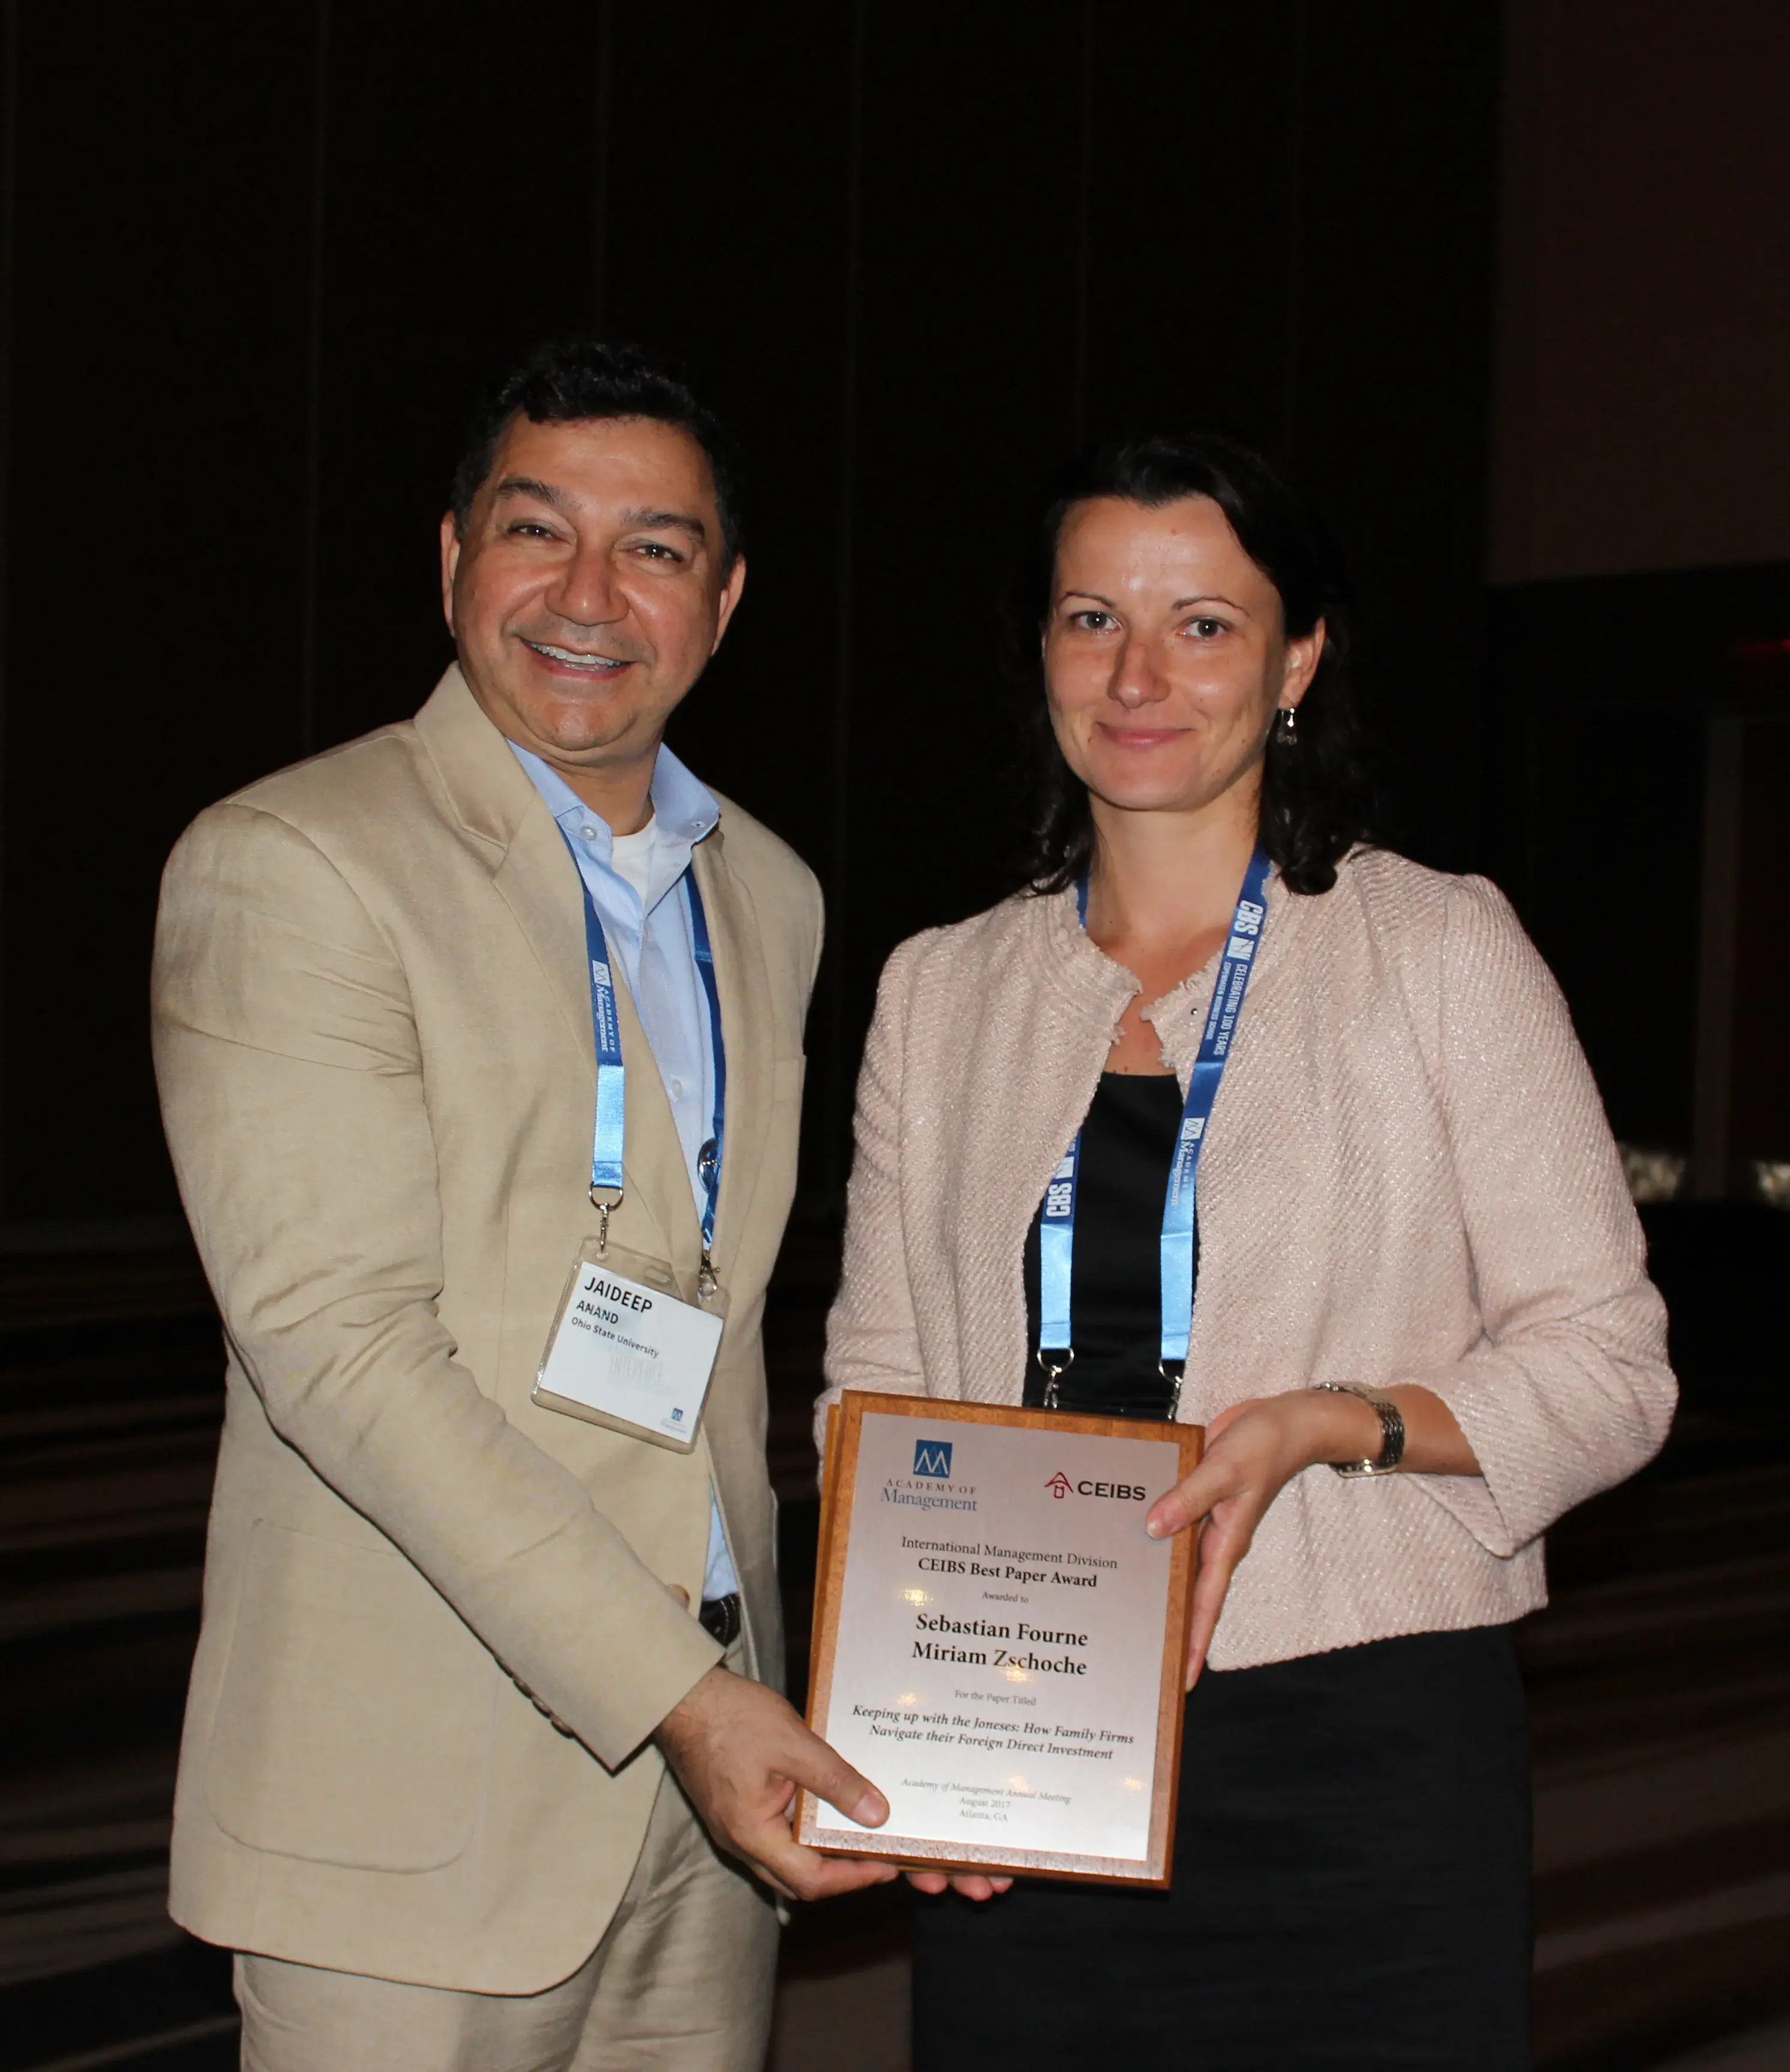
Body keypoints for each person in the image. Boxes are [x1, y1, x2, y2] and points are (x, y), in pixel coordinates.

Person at [819, 432, 1675, 2069]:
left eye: (1202, 624)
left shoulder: (1438, 950)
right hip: (1022, 1719)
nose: (1139, 675)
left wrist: (1326, 1425)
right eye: (1093, 619)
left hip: (1365, 1754)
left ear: (1297, 662)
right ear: (1042, 652)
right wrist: (905, 1709)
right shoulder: (941, 990)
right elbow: (877, 1380)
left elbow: (1611, 1367)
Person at [152, 339, 894, 2072]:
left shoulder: (770, 895)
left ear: (722, 601)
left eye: (655, 547)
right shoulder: (296, 863)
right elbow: (338, 1348)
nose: (587, 594)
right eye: (536, 528)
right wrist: (682, 1699)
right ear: (452, 557)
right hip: (414, 1800)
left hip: (705, 1819)